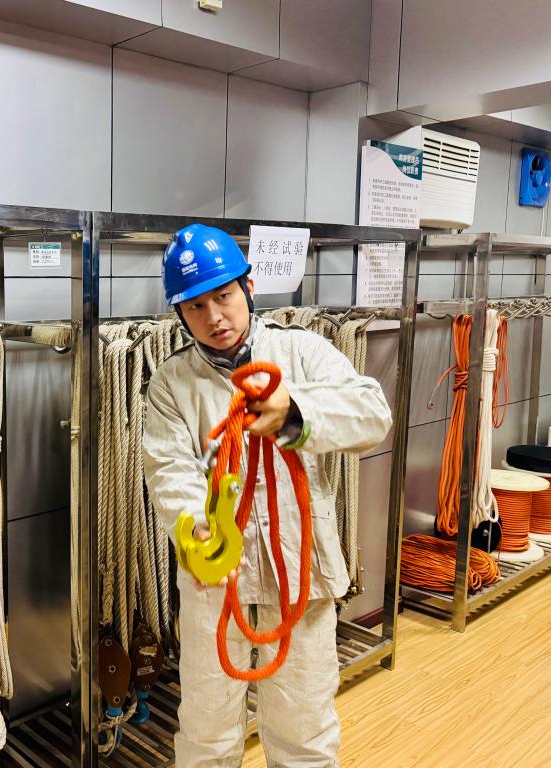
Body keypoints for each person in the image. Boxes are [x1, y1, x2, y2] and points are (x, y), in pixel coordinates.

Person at [143, 223, 392, 768]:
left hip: (300, 574)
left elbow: (373, 415)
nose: (215, 317)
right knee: (206, 736)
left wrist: (295, 410)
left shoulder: (301, 353)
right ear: (179, 313)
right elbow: (168, 469)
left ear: (248, 286)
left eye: (224, 296)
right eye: (196, 306)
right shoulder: (171, 384)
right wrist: (195, 524)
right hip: (216, 583)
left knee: (304, 734)